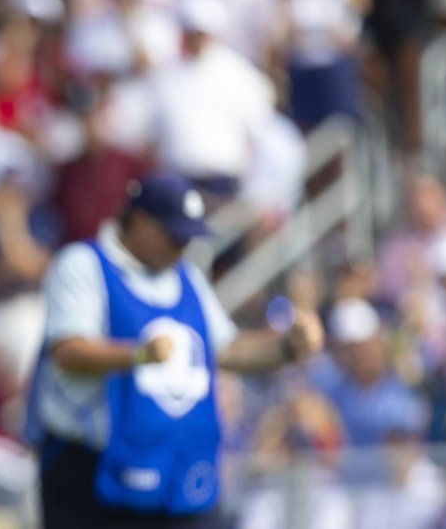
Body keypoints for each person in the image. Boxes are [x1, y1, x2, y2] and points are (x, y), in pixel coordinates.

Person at [22, 172, 323, 528]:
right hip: (94, 475)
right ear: (138, 221)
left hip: (176, 475)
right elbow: (68, 351)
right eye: (173, 235)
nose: (182, 247)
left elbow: (225, 351)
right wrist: (139, 355)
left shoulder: (186, 277)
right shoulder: (83, 264)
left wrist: (288, 347)